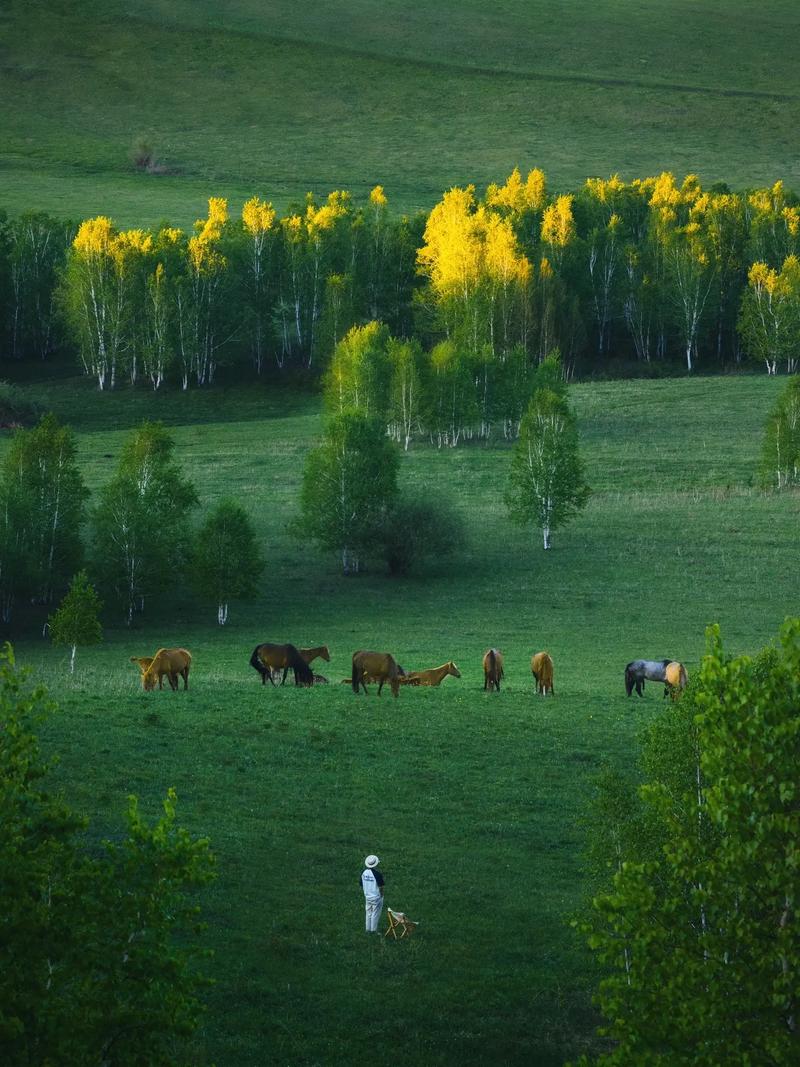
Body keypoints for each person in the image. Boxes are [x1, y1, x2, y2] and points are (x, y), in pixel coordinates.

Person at [361, 854, 384, 933]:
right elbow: (381, 887)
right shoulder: (378, 874)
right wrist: (381, 895)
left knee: (368, 912)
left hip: (367, 896)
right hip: (376, 896)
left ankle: (367, 929)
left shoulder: (364, 873)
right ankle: (373, 930)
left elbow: (361, 884)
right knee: (375, 913)